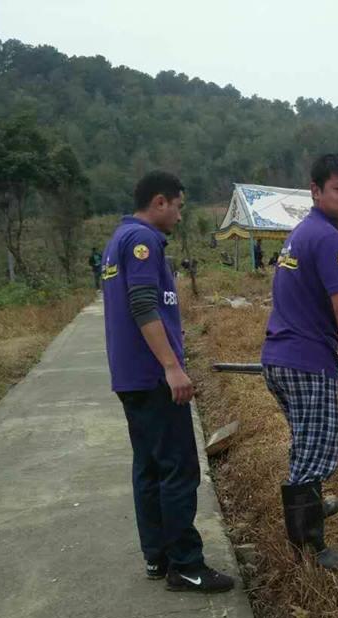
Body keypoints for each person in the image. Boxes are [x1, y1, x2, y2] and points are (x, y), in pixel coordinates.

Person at [101, 170, 234, 593]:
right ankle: (186, 565)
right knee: (179, 468)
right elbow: (143, 304)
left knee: (150, 467)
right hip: (152, 375)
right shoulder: (143, 242)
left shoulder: (117, 240)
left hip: (131, 377)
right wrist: (172, 366)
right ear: (160, 202)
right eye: (178, 207)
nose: (179, 216)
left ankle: (157, 557)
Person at [261, 153, 338, 571]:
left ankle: (311, 511)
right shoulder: (326, 238)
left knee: (305, 443)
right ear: (315, 191)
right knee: (316, 451)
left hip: (280, 357)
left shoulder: (302, 232)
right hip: (305, 362)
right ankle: (311, 549)